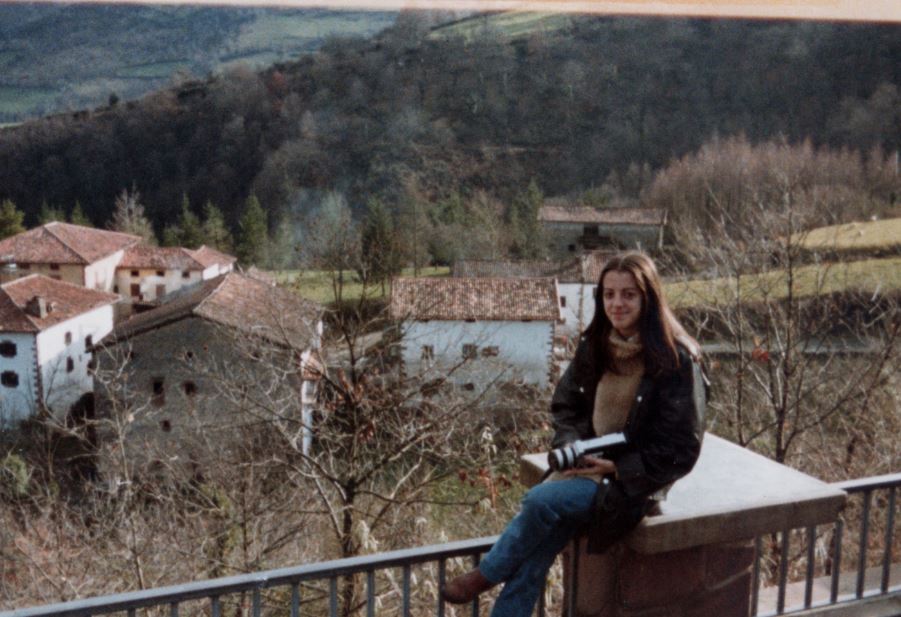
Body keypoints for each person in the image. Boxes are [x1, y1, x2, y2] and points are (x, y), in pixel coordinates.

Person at [441, 251, 706, 616]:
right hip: (584, 468)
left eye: (628, 294)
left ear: (649, 297)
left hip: (630, 484)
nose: (617, 303)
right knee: (537, 550)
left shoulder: (676, 359)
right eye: (609, 294)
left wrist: (617, 468)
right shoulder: (595, 344)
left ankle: (488, 573)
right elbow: (566, 407)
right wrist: (572, 447)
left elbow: (682, 448)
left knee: (538, 502)